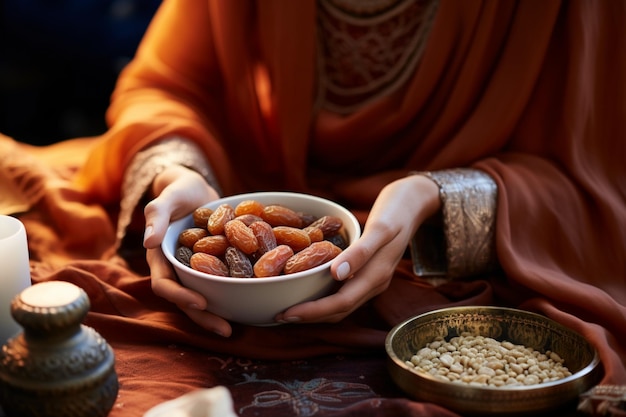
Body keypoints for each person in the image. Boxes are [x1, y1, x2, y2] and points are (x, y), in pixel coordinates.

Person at [75, 0, 626, 383]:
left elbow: (595, 179)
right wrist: (177, 171)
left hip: (434, 268)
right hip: (245, 185)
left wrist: (433, 196)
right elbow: (166, 85)